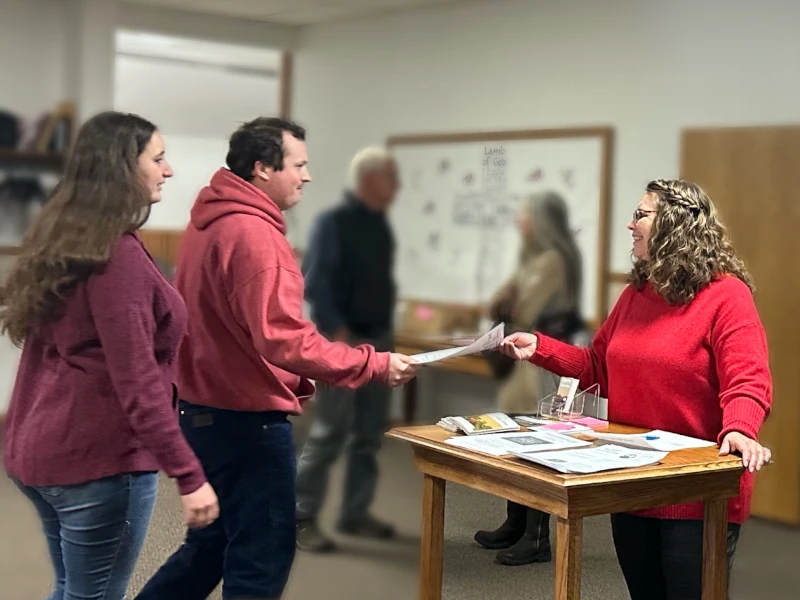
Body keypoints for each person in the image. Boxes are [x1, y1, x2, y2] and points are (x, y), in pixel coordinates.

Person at [136, 118, 420, 600]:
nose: (307, 176)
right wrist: (371, 364)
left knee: (211, 545)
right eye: (300, 165)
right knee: (261, 558)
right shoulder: (255, 236)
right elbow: (283, 340)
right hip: (245, 422)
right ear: (263, 168)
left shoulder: (212, 219)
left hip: (203, 410)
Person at [498, 179, 772, 600]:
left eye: (641, 215)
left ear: (677, 224)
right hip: (633, 481)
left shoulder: (727, 296)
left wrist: (740, 428)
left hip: (694, 491)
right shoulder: (635, 295)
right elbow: (599, 366)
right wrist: (541, 348)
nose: (630, 224)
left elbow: (748, 378)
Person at [0, 111, 219, 600]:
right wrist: (190, 476)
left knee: (74, 589)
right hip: (96, 463)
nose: (169, 170)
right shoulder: (114, 258)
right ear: (124, 168)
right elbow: (139, 382)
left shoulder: (71, 240)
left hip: (41, 452)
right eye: (158, 158)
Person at [295, 147, 401, 553]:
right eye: (390, 177)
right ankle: (301, 515)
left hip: (379, 341)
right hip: (343, 343)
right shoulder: (332, 224)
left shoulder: (380, 227)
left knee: (370, 433)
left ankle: (355, 513)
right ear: (369, 180)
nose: (396, 186)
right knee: (330, 431)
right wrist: (338, 335)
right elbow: (316, 283)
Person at [474, 190, 584, 566]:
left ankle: (537, 538)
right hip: (523, 364)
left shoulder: (554, 259)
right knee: (515, 447)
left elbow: (522, 308)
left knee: (537, 451)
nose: (519, 220)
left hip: (542, 366)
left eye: (526, 214)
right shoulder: (534, 258)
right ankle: (515, 522)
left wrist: (508, 301)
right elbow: (504, 303)